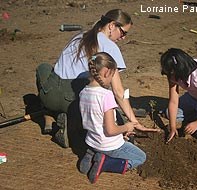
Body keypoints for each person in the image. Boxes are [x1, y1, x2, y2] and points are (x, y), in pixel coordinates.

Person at [35, 9, 141, 148]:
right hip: (73, 100)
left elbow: (61, 67)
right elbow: (118, 92)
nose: (123, 38)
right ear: (112, 25)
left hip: (50, 95)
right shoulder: (110, 47)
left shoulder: (80, 36)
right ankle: (74, 124)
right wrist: (134, 121)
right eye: (123, 32)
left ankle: (51, 112)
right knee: (97, 91)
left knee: (43, 67)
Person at [78, 52, 160, 183]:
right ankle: (105, 163)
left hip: (92, 141)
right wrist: (127, 126)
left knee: (105, 144)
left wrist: (122, 132)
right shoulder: (106, 95)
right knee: (140, 157)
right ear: (106, 72)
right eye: (113, 75)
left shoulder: (83, 92)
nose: (112, 79)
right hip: (109, 145)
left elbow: (96, 122)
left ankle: (91, 154)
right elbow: (110, 130)